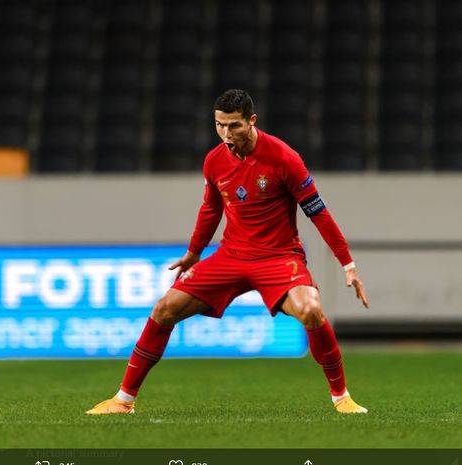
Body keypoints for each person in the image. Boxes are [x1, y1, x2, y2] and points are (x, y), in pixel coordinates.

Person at [87, 89, 370, 415]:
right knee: (165, 308)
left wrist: (347, 263)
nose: (225, 134)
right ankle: (123, 401)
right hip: (231, 256)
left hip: (278, 257)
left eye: (233, 126)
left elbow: (318, 212)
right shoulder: (214, 160)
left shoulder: (284, 159)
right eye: (219, 125)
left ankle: (341, 398)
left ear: (251, 121)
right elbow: (210, 209)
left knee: (310, 310)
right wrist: (194, 253)